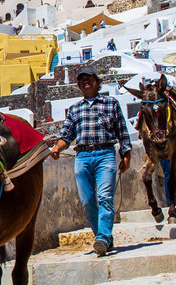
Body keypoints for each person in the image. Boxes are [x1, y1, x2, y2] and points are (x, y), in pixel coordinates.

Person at [49, 70, 130, 256]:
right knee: (87, 202)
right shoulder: (75, 109)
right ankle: (104, 238)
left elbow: (122, 131)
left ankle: (102, 237)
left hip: (105, 154)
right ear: (78, 86)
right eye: (82, 80)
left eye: (89, 79)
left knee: (105, 198)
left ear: (97, 83)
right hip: (82, 157)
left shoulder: (111, 103)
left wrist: (126, 155)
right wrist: (57, 148)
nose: (85, 82)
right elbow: (66, 136)